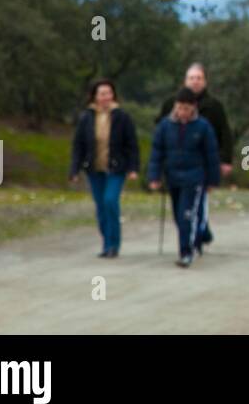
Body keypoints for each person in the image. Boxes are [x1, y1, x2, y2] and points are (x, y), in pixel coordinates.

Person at [158, 63, 233, 254]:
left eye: (199, 78)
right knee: (183, 209)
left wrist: (225, 160)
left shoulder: (214, 106)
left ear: (205, 81)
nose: (195, 81)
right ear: (185, 80)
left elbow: (225, 133)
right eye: (192, 78)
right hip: (177, 165)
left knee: (199, 204)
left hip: (203, 163)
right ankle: (200, 232)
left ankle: (196, 238)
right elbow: (161, 132)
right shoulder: (170, 104)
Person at [148, 88, 221, 268]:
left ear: (193, 107)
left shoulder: (203, 127)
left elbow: (211, 155)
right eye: (180, 108)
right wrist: (154, 176)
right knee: (177, 216)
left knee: (187, 215)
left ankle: (186, 252)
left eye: (186, 108)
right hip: (172, 176)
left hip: (194, 177)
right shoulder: (165, 126)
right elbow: (157, 152)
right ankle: (194, 240)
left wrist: (212, 180)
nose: (183, 112)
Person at [68, 78, 140, 258]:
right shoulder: (86, 118)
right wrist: (74, 169)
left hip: (116, 168)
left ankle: (114, 244)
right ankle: (106, 243)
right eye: (102, 94)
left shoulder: (122, 117)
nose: (106, 97)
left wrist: (133, 168)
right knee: (100, 206)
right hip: (94, 168)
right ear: (95, 96)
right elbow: (78, 145)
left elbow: (132, 144)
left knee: (110, 201)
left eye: (109, 93)